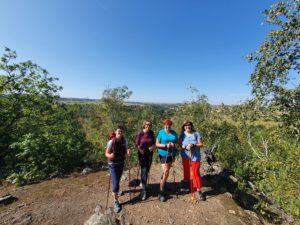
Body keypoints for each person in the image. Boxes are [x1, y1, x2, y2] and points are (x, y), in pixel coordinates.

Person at [105, 126, 131, 213]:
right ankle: (116, 202)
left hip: (121, 162)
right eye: (118, 131)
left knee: (118, 179)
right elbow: (106, 153)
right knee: (115, 183)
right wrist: (110, 155)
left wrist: (128, 151)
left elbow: (127, 147)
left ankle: (117, 191)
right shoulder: (111, 142)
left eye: (121, 131)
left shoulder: (124, 140)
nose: (120, 132)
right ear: (115, 132)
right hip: (112, 164)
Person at [178, 120, 206, 201]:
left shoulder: (196, 133)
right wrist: (184, 147)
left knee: (195, 173)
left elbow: (201, 144)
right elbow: (179, 143)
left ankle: (199, 190)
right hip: (185, 156)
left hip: (195, 157)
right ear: (184, 127)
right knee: (186, 170)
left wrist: (193, 145)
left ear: (191, 126)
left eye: (189, 125)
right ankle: (188, 184)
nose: (187, 126)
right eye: (186, 125)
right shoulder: (182, 134)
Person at [156, 119, 178, 202]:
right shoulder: (161, 132)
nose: (167, 126)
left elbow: (178, 143)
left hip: (171, 154)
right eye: (165, 125)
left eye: (168, 125)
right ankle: (160, 191)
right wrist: (165, 145)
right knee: (165, 171)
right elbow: (157, 143)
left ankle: (163, 184)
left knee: (167, 171)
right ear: (164, 125)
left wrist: (174, 144)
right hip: (163, 154)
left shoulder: (174, 132)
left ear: (170, 125)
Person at [135, 120, 156, 200]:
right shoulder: (140, 133)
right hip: (142, 153)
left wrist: (153, 146)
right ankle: (143, 189)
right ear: (144, 125)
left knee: (147, 169)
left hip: (150, 153)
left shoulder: (151, 132)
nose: (148, 126)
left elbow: (154, 142)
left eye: (150, 125)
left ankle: (143, 181)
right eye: (147, 124)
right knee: (144, 169)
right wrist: (139, 149)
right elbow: (137, 144)